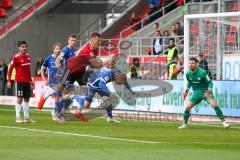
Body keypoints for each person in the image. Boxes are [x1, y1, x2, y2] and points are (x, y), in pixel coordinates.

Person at [178, 57, 230, 129]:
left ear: (197, 64)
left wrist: (209, 89)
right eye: (189, 63)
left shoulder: (202, 72)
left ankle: (224, 123)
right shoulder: (188, 73)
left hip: (206, 92)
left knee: (214, 105)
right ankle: (185, 124)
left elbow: (210, 82)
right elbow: (190, 82)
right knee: (187, 108)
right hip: (196, 93)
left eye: (192, 63)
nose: (190, 65)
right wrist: (186, 90)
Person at [7, 41, 34, 123]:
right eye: (22, 46)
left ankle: (26, 117)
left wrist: (31, 80)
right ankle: (18, 117)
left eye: (25, 46)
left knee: (27, 99)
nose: (24, 48)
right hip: (19, 82)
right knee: (19, 99)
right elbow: (10, 70)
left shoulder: (28, 56)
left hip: (27, 82)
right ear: (19, 48)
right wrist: (9, 81)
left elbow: (28, 70)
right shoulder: (15, 58)